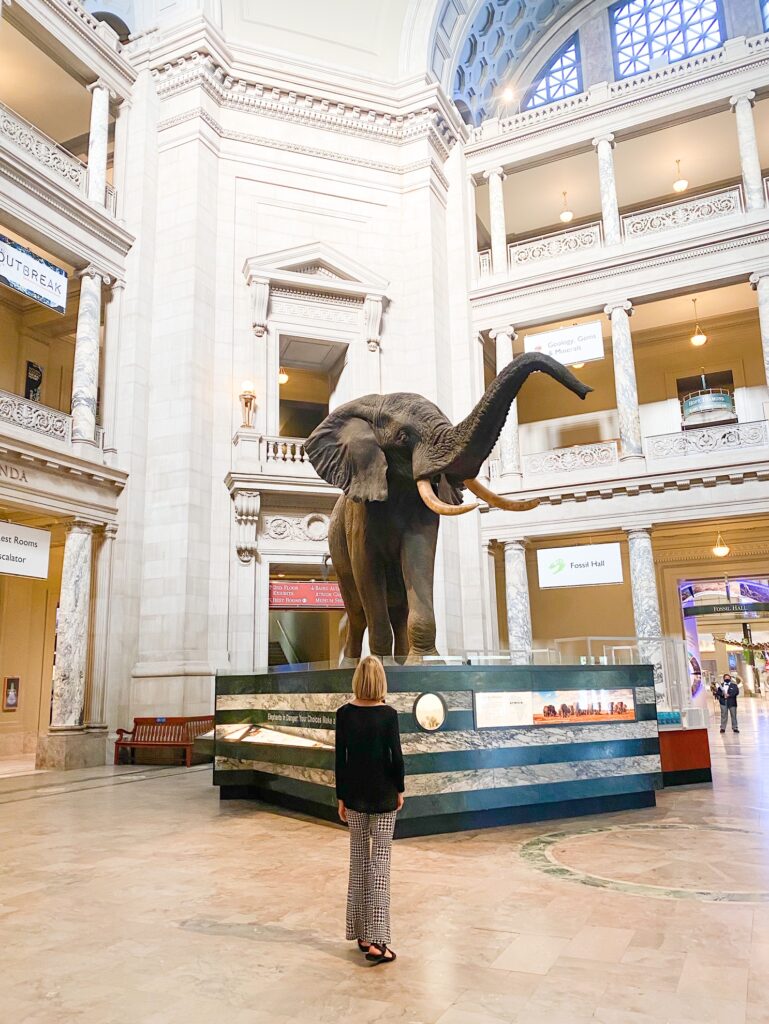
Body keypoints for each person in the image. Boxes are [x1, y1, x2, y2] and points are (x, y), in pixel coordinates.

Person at [335, 656, 405, 965]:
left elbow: (341, 761)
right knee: (380, 868)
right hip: (384, 796)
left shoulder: (344, 715)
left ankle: (361, 932)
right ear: (381, 682)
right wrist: (400, 790)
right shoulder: (388, 715)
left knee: (359, 864)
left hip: (355, 797)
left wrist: (341, 797)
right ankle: (379, 941)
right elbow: (396, 758)